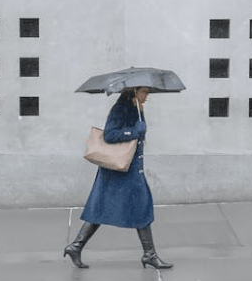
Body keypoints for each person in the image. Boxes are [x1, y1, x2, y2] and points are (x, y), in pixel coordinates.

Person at [63, 86, 173, 270]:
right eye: (145, 92)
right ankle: (149, 255)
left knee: (133, 207)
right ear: (135, 91)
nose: (148, 96)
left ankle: (76, 246)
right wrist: (134, 131)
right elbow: (110, 134)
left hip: (131, 169)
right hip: (119, 171)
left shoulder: (137, 109)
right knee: (124, 207)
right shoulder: (120, 108)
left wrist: (140, 127)